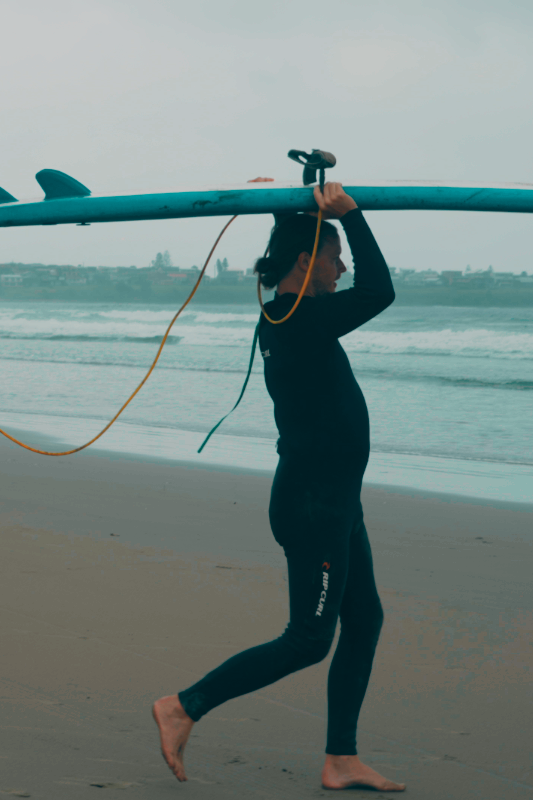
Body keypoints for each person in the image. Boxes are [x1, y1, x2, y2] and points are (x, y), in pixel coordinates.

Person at [152, 183, 405, 792]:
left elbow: (322, 261)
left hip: (336, 501)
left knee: (364, 621)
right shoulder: (300, 322)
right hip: (314, 506)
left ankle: (341, 759)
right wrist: (351, 214)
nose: (342, 268)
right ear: (305, 261)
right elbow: (381, 291)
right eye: (334, 255)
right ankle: (184, 705)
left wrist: (296, 205)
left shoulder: (290, 315)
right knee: (309, 640)